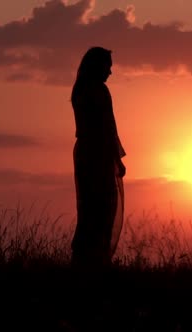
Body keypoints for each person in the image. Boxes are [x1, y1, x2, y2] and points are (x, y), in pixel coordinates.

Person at [70, 46, 126, 269]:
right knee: (102, 207)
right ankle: (96, 262)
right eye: (108, 67)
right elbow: (107, 127)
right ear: (98, 66)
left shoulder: (79, 90)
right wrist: (117, 160)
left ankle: (84, 261)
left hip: (84, 151)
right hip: (98, 153)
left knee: (88, 208)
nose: (110, 72)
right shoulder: (99, 91)